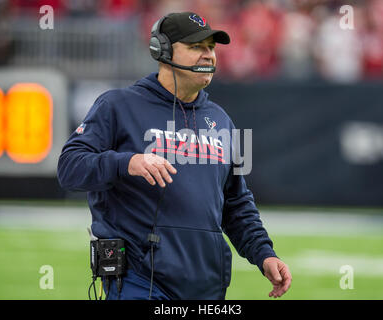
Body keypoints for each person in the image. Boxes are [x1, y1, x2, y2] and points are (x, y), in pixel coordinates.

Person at [57, 11, 292, 300]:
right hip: (139, 279)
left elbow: (236, 203)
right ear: (162, 50)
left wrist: (264, 254)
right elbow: (69, 167)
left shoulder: (221, 120)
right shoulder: (118, 106)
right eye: (196, 47)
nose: (208, 56)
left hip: (205, 282)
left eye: (211, 48)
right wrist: (126, 162)